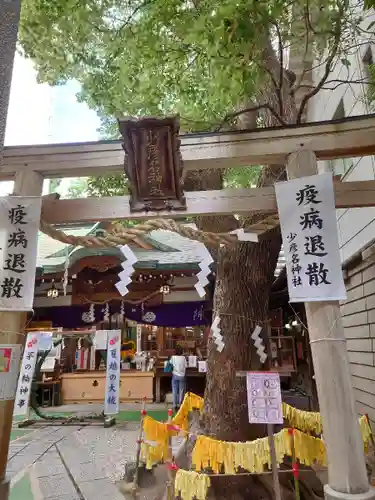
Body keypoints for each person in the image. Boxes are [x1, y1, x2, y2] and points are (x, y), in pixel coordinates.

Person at [170, 346, 187, 411]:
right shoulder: (183, 358)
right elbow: (186, 366)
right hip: (182, 375)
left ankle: (174, 405)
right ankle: (180, 404)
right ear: (182, 351)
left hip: (175, 375)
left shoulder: (173, 357)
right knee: (181, 390)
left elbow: (170, 364)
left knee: (174, 390)